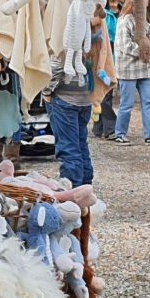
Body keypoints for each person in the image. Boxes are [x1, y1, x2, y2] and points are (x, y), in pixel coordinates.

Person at [45, 27, 96, 187]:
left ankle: (73, 192)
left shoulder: (68, 22)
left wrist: (46, 90)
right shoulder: (91, 24)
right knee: (81, 143)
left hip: (64, 94)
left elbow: (58, 62)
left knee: (68, 146)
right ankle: (86, 188)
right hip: (84, 94)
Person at [114, 2, 150, 146]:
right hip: (128, 70)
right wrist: (146, 51)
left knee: (148, 101)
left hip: (144, 68)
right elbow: (124, 46)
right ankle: (120, 133)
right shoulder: (125, 21)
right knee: (127, 104)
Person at [94, 0, 126, 140]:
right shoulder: (104, 13)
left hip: (120, 56)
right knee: (106, 92)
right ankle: (110, 128)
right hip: (107, 55)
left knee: (107, 92)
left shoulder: (123, 12)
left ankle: (98, 127)